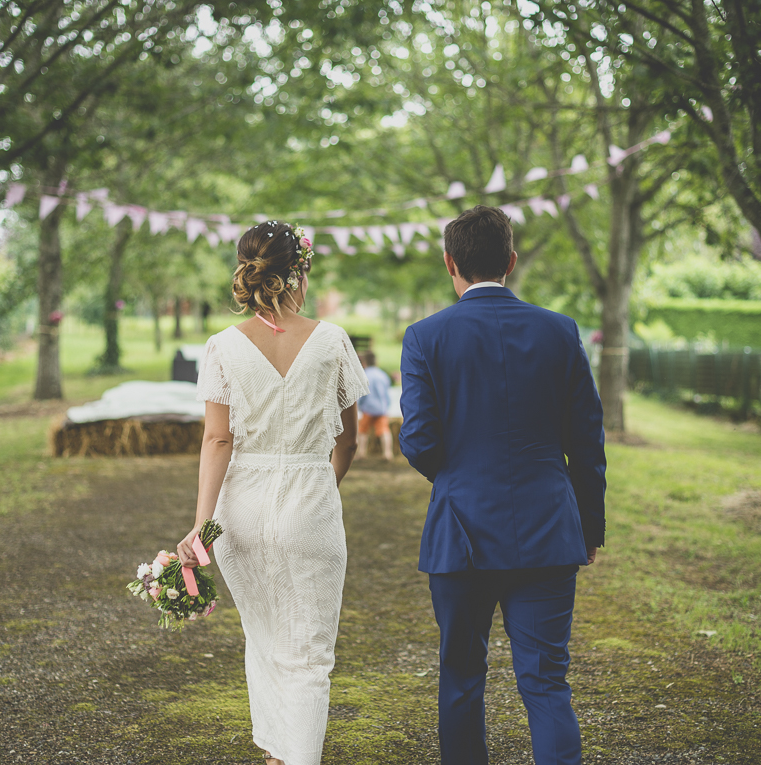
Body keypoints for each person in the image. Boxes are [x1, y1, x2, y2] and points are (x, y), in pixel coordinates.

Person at [399, 205, 606, 765]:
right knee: (546, 683)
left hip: (461, 535)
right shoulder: (561, 332)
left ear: (450, 264)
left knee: (462, 677)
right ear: (511, 261)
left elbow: (417, 440)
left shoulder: (424, 337)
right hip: (549, 531)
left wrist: (457, 476)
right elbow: (588, 442)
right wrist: (589, 528)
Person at [177, 221, 368, 765]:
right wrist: (315, 491)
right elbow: (348, 443)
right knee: (308, 656)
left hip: (243, 505)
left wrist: (202, 524)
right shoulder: (332, 341)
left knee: (263, 640)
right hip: (310, 499)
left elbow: (217, 439)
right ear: (298, 274)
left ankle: (278, 755)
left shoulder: (222, 347)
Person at [355, 351, 394, 460]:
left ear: (364, 363)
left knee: (363, 430)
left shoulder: (365, 375)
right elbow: (386, 393)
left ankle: (362, 452)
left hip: (368, 408)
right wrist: (386, 405)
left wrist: (359, 405)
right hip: (381, 408)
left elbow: (363, 394)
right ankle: (387, 453)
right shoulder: (382, 375)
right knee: (384, 430)